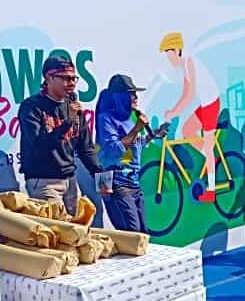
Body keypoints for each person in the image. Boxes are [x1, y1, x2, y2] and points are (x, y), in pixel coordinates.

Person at [18, 55, 104, 216]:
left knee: (78, 231)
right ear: (48, 78)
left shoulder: (73, 107)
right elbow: (40, 146)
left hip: (70, 180)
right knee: (58, 233)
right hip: (44, 182)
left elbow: (86, 148)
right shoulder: (32, 107)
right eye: (64, 78)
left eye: (73, 79)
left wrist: (101, 178)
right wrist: (68, 122)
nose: (71, 83)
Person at [95, 74, 167, 233]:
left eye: (135, 93)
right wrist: (137, 129)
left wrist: (151, 135)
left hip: (133, 182)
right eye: (131, 93)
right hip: (114, 182)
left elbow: (132, 147)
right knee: (132, 234)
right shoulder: (105, 119)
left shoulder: (131, 118)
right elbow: (114, 150)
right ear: (119, 97)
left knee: (143, 233)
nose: (136, 97)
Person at [159, 32, 224, 203]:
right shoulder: (185, 66)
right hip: (204, 104)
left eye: (169, 54)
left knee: (208, 145)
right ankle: (211, 158)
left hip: (211, 103)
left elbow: (190, 95)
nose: (168, 59)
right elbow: (185, 93)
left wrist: (173, 113)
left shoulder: (190, 62)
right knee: (187, 131)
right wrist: (173, 110)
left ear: (177, 50)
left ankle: (211, 191)